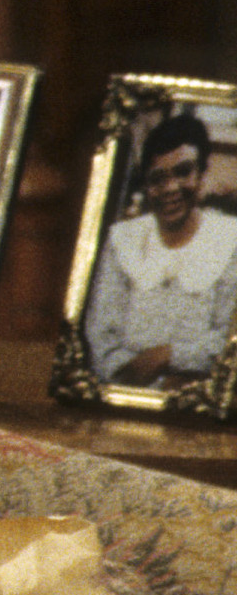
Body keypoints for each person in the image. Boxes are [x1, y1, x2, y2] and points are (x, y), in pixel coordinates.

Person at [84, 108, 237, 387]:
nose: (170, 188)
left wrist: (165, 356)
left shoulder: (229, 239)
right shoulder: (123, 240)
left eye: (183, 172)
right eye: (157, 178)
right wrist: (156, 389)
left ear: (202, 173)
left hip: (204, 399)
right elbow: (102, 341)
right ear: (146, 185)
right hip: (127, 390)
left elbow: (229, 340)